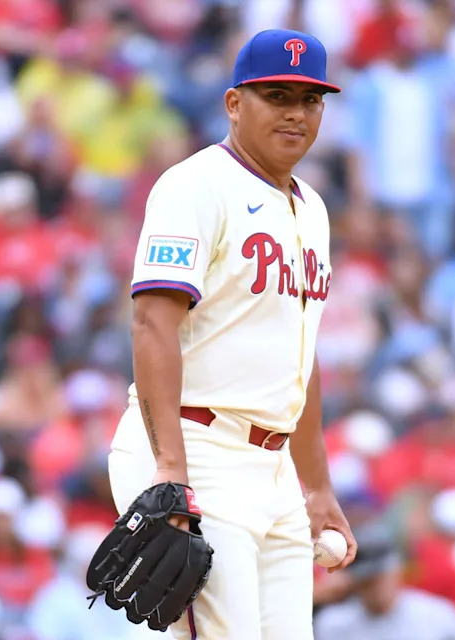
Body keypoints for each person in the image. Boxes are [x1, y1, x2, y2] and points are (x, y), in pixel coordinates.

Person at [106, 29, 356, 640]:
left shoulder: (313, 208)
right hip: (198, 447)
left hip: (272, 470)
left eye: (310, 99)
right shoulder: (196, 185)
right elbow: (152, 322)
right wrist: (170, 470)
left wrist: (316, 484)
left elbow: (299, 347)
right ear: (235, 103)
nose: (296, 112)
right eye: (277, 95)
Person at [313, 524, 455, 640]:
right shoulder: (332, 625)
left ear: (396, 569)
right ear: (353, 580)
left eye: (379, 576)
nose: (374, 586)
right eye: (366, 580)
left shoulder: (438, 617)